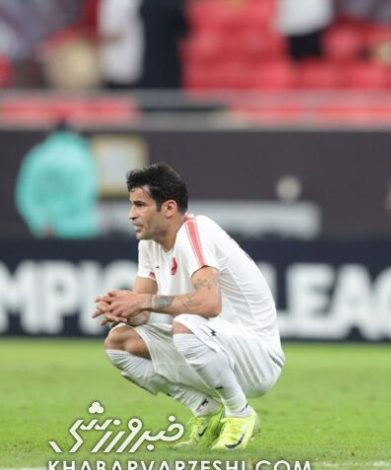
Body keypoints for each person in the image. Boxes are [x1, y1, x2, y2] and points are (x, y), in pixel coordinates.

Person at [93, 163, 284, 450]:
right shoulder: (149, 243)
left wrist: (140, 301)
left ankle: (240, 414)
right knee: (119, 342)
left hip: (257, 355)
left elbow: (209, 303)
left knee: (186, 325)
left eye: (140, 205)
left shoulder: (195, 231)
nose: (131, 214)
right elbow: (142, 312)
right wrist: (123, 310)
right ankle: (206, 412)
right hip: (210, 346)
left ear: (168, 208)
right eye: (131, 205)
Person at [15, 120, 99, 238]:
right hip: (79, 232)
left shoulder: (37, 155)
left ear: (51, 133)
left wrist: (42, 223)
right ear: (73, 133)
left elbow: (25, 197)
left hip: (45, 233)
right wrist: (64, 224)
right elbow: (86, 193)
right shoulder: (82, 155)